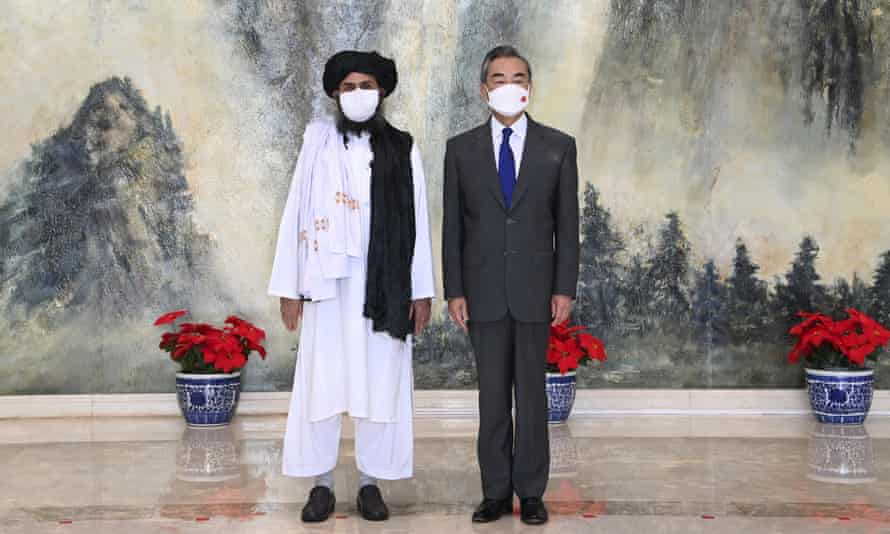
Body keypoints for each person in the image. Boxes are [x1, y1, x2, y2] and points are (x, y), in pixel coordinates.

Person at [268, 50, 435, 523]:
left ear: (381, 92)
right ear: (335, 94)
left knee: (379, 380)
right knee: (322, 380)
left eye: (366, 85)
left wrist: (421, 289)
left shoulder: (403, 147)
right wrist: (290, 285)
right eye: (348, 87)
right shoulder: (316, 144)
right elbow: (296, 210)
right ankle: (319, 484)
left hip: (383, 286)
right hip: (325, 283)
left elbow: (418, 221)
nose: (358, 94)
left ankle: (370, 483)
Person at [442, 45, 579, 525]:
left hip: (536, 291)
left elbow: (568, 223)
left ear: (530, 87)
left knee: (532, 397)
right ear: (484, 90)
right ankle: (495, 492)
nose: (508, 86)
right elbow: (453, 227)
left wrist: (564, 288)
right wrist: (454, 290)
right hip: (482, 293)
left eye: (518, 77)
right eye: (498, 78)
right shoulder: (459, 150)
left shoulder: (558, 147)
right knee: (493, 397)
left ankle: (532, 492)